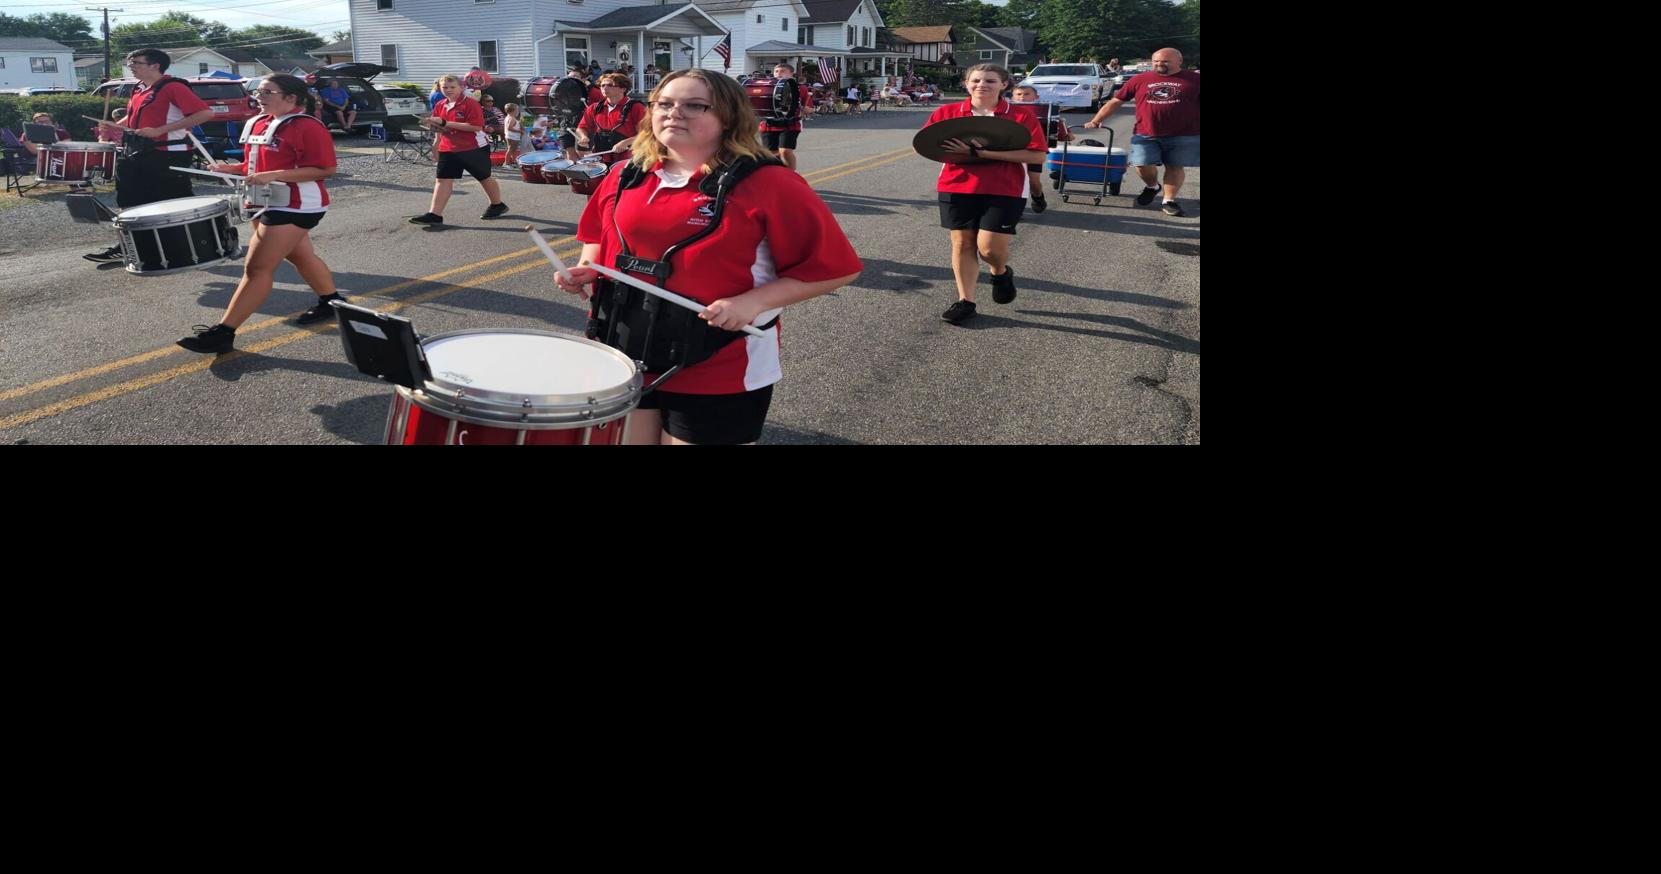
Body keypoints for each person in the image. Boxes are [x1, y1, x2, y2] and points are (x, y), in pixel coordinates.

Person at [553, 69, 861, 445]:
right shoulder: (624, 174)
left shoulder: (770, 183)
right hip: (625, 353)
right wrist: (588, 270)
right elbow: (596, 239)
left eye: (693, 106)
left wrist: (753, 301)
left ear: (728, 116)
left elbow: (835, 269)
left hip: (720, 362)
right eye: (663, 104)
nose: (673, 113)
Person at [175, 75, 342, 354]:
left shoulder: (307, 126)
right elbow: (256, 165)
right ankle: (332, 302)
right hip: (264, 201)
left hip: (296, 205)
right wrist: (233, 169)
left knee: (257, 269)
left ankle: (223, 333)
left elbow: (326, 169)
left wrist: (275, 175)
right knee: (301, 256)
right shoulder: (260, 122)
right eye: (258, 91)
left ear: (291, 98)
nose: (258, 96)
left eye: (267, 92)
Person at [921, 63, 1046, 325]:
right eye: (975, 80)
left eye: (990, 80)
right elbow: (929, 146)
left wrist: (984, 153)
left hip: (1005, 187)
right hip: (956, 186)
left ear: (1004, 85)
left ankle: (1000, 272)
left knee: (989, 249)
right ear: (966, 84)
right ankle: (966, 301)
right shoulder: (948, 112)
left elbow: (1036, 154)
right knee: (962, 243)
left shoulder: (1021, 117)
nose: (982, 85)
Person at [85, 48, 216, 264]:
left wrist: (160, 130)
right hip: (137, 151)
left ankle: (195, 247)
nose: (131, 67)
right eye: (130, 63)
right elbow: (134, 116)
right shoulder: (139, 88)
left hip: (167, 154)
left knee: (173, 203)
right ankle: (130, 245)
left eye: (136, 63)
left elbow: (205, 114)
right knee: (129, 200)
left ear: (155, 65)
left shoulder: (173, 86)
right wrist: (113, 128)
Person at [1084, 47, 1199, 216]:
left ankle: (1169, 201)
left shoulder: (1194, 79)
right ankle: (1152, 186)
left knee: (1174, 166)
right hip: (1146, 132)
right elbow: (1116, 101)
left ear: (1179, 61)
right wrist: (1096, 120)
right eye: (1156, 61)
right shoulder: (1140, 79)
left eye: (1165, 61)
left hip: (1184, 133)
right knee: (1141, 163)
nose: (1160, 64)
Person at [408, 74, 508, 226]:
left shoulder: (471, 104)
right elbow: (440, 128)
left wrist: (445, 122)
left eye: (452, 87)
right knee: (442, 179)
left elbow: (475, 126)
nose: (448, 90)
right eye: (445, 87)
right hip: (448, 147)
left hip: (473, 147)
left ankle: (497, 204)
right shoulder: (440, 105)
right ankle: (435, 214)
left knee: (484, 177)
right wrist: (435, 138)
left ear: (461, 88)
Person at [1009, 84, 1070, 214]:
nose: (1022, 97)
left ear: (1036, 97)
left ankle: (1038, 197)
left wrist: (1066, 134)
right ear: (1012, 96)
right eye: (1018, 94)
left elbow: (1061, 131)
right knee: (1010, 181)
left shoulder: (1043, 110)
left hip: (1033, 151)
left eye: (1027, 94)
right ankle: (1016, 209)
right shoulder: (1007, 110)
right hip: (1010, 150)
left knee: (1034, 182)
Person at [576, 72, 647, 158]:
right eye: (602, 85)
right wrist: (583, 137)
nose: (605, 88)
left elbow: (646, 134)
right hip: (601, 156)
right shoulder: (594, 108)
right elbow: (582, 127)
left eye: (610, 85)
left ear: (623, 89)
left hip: (629, 158)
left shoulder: (636, 107)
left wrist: (626, 142)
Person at [757, 63, 812, 172]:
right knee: (771, 154)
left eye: (782, 71)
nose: (778, 73)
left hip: (790, 123)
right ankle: (777, 175)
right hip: (768, 123)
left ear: (791, 74)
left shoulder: (800, 88)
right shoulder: (766, 86)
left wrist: (805, 109)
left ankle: (791, 176)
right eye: (776, 71)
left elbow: (810, 109)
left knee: (784, 151)